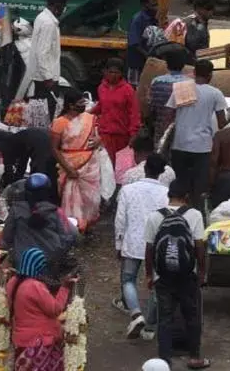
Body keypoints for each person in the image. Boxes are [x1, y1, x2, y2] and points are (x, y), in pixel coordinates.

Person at [144, 180, 208, 369]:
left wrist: (149, 275)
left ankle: (165, 360)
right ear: (187, 197)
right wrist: (202, 272)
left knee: (165, 318)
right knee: (192, 315)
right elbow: (199, 247)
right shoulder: (195, 215)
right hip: (188, 275)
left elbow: (149, 249)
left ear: (168, 196)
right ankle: (194, 357)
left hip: (163, 277)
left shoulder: (155, 217)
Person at [115, 154, 169, 338]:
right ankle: (150, 326)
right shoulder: (166, 193)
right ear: (161, 172)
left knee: (128, 279)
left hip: (133, 241)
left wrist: (118, 242)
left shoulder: (128, 190)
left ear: (145, 169)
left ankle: (136, 314)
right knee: (156, 283)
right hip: (156, 244)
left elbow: (120, 219)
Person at [164, 59, 227, 208]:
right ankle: (197, 212)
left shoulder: (181, 89)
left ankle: (179, 208)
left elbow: (168, 114)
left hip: (180, 144)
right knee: (199, 185)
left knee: (181, 180)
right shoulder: (215, 93)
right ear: (210, 75)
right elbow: (222, 122)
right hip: (203, 146)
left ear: (194, 73)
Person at [7, 247, 75, 371]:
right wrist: (65, 288)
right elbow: (55, 310)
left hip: (21, 341)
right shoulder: (35, 286)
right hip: (39, 342)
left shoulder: (13, 282)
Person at [50, 88, 107, 232]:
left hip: (90, 165)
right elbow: (54, 149)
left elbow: (98, 138)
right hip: (69, 165)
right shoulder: (59, 123)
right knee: (71, 199)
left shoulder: (89, 118)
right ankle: (72, 228)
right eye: (80, 102)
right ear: (70, 105)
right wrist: (68, 169)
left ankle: (87, 225)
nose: (83, 105)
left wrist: (99, 140)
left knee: (92, 200)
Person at [1, 173, 75, 272]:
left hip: (23, 262)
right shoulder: (56, 212)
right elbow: (69, 237)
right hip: (50, 263)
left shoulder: (16, 210)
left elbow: (7, 238)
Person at [21, 0, 66, 119]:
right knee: (47, 110)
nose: (64, 9)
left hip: (40, 74)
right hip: (46, 76)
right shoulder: (48, 23)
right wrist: (48, 77)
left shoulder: (42, 17)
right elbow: (42, 52)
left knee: (39, 109)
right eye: (63, 5)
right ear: (57, 5)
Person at [0, 128, 55, 193]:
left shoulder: (7, 146)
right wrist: (16, 183)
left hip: (41, 144)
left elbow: (9, 170)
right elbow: (22, 165)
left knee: (38, 174)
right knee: (47, 171)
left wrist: (7, 188)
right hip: (48, 138)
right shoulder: (17, 140)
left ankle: (41, 197)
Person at [127, 0, 160, 85]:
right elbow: (134, 43)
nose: (156, 8)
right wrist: (148, 55)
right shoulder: (137, 20)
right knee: (136, 86)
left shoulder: (153, 19)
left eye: (157, 5)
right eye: (153, 5)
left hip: (147, 61)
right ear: (145, 6)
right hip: (137, 61)